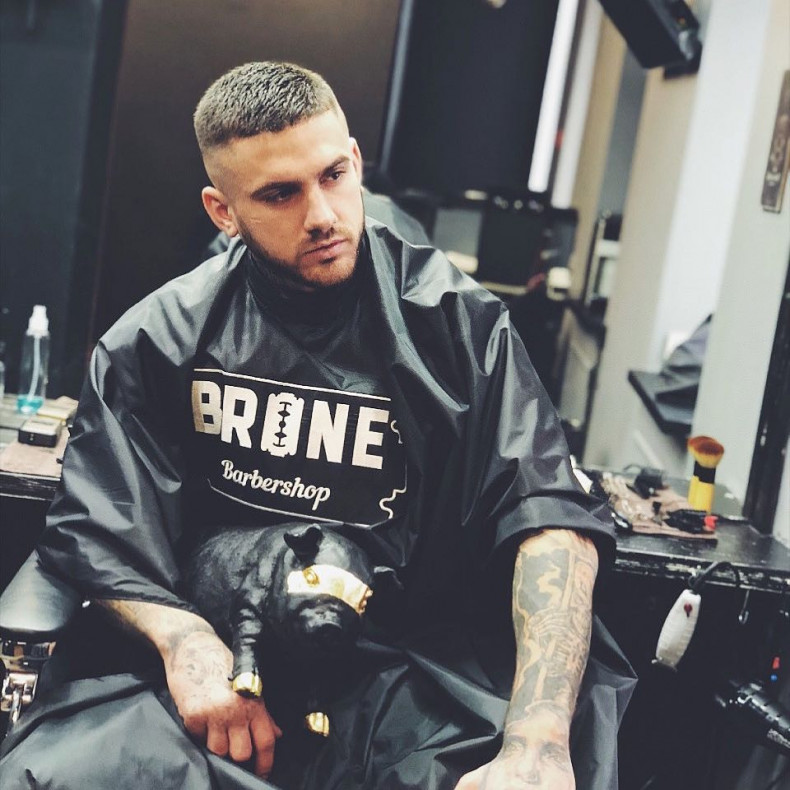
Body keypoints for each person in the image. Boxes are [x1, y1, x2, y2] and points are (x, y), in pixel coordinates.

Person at [0, 62, 634, 790]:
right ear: (222, 212)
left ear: (355, 160)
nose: (323, 215)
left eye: (333, 175)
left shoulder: (459, 327)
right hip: (220, 660)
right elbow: (97, 530)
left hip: (407, 672)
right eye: (280, 194)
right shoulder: (158, 341)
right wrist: (182, 640)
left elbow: (548, 516)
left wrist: (537, 741)